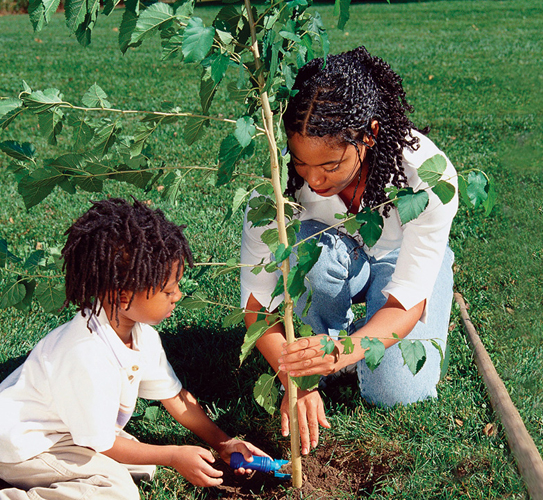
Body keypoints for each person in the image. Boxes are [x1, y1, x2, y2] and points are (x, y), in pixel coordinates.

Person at [240, 47, 458, 455]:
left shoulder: (428, 176)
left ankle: (437, 274)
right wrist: (295, 377)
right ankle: (318, 351)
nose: (314, 178)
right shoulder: (275, 189)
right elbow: (257, 305)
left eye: (330, 165)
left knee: (396, 391)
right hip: (333, 257)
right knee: (312, 255)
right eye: (302, 163)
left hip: (397, 264)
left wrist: (340, 353)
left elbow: (406, 301)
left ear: (370, 134)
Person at [0, 198, 267, 500]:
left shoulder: (141, 336)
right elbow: (104, 443)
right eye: (168, 290)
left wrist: (224, 443)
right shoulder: (85, 355)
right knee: (117, 490)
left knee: (138, 463)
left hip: (69, 430)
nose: (178, 295)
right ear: (124, 297)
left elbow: (176, 399)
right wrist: (172, 456)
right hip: (26, 445)